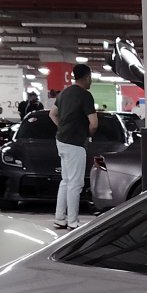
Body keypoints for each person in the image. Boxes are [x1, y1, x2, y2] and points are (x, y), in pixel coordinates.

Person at [47, 63, 99, 229]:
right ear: (87, 77)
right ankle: (73, 222)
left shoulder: (64, 93)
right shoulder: (85, 95)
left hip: (61, 141)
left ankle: (60, 218)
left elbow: (52, 114)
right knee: (76, 183)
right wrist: (88, 133)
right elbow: (94, 123)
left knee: (66, 181)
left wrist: (62, 127)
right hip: (75, 143)